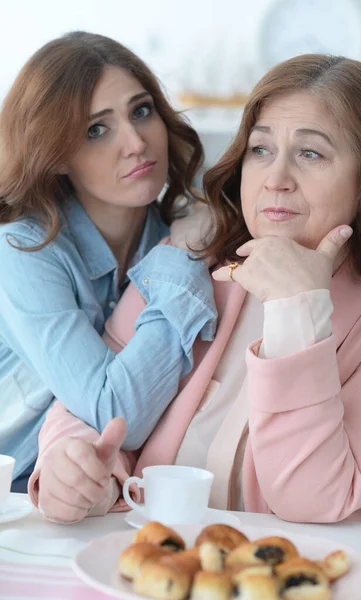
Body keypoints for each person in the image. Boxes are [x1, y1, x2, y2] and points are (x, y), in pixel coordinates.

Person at [30, 53, 361, 524]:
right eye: (260, 150)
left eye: (311, 154)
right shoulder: (191, 262)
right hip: (152, 562)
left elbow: (312, 499)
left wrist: (296, 307)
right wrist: (78, 468)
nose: (276, 180)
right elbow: (89, 405)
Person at [0, 31, 218, 494]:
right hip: (15, 495)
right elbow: (117, 414)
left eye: (141, 111)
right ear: (55, 155)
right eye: (96, 130)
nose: (136, 143)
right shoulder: (22, 251)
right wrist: (183, 256)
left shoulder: (169, 237)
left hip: (105, 496)